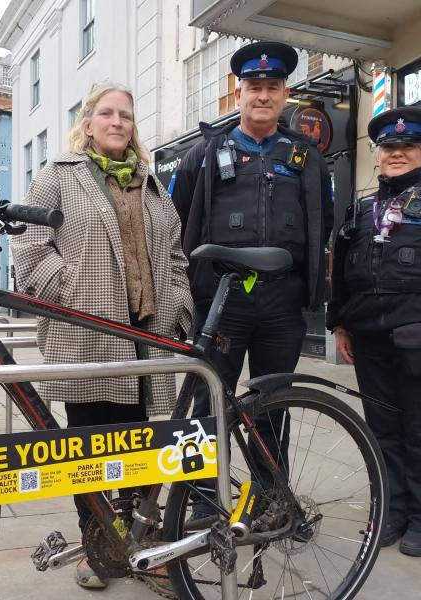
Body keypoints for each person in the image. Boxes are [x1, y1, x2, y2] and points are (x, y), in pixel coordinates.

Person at [12, 82, 193, 588]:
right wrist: (76, 298)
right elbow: (30, 254)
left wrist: (177, 303)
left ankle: (139, 542)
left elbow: (176, 255)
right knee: (88, 450)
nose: (118, 122)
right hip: (86, 335)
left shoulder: (151, 185)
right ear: (88, 123)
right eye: (108, 114)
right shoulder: (57, 178)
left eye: (127, 116)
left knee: (137, 446)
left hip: (143, 335)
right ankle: (98, 546)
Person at [171, 41, 333, 514]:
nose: (263, 96)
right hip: (220, 301)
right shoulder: (204, 153)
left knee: (272, 405)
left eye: (272, 88)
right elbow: (178, 224)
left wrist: (314, 294)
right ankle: (198, 503)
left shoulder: (307, 157)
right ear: (237, 93)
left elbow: (320, 222)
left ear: (286, 95)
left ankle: (268, 496)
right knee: (207, 403)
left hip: (282, 305)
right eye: (254, 87)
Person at [327, 106, 421, 557]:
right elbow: (341, 273)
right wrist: (340, 324)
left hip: (416, 337)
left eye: (408, 146)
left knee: (419, 431)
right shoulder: (361, 210)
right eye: (389, 148)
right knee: (382, 431)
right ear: (377, 154)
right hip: (368, 338)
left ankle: (420, 517)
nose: (397, 153)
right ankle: (393, 511)